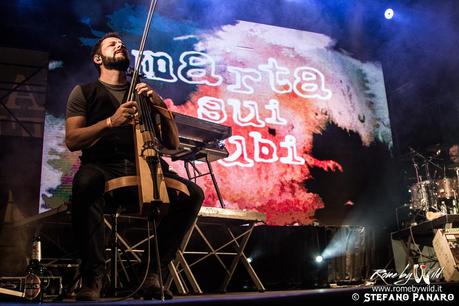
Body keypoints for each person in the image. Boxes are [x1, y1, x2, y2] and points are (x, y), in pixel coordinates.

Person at [65, 32, 204, 301]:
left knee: (193, 194)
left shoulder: (144, 92)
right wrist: (110, 122)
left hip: (147, 164)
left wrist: (160, 106)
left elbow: (172, 144)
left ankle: (151, 272)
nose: (120, 45)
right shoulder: (84, 92)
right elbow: (72, 140)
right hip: (104, 165)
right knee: (85, 182)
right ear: (98, 58)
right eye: (111, 44)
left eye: (122, 44)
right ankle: (93, 275)